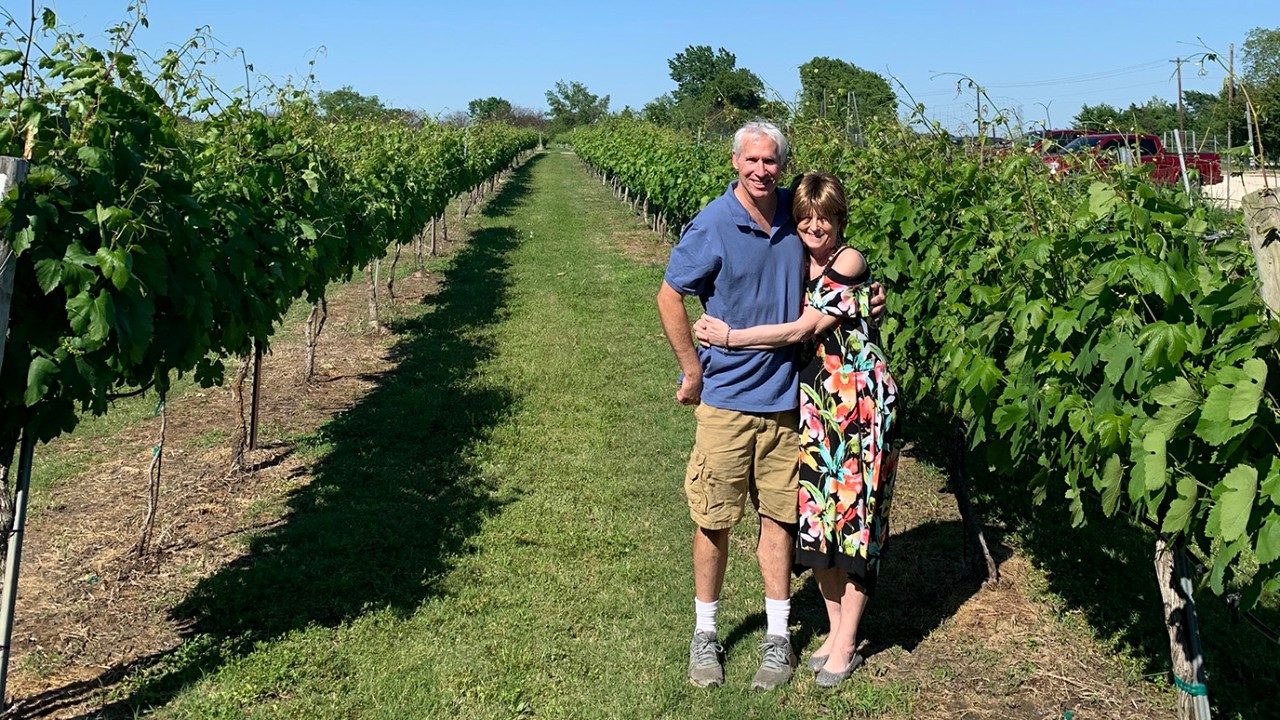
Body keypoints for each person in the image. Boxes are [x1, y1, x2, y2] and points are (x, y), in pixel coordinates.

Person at [657, 124, 886, 691]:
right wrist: (693, 369)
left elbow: (838, 254)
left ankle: (779, 637)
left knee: (780, 520)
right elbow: (669, 294)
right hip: (728, 400)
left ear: (783, 166)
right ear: (735, 161)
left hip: (791, 400)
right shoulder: (712, 224)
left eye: (771, 161)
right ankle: (706, 633)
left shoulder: (794, 211)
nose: (762, 170)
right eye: (752, 160)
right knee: (713, 519)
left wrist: (870, 296)